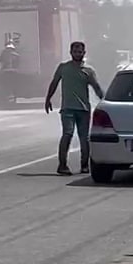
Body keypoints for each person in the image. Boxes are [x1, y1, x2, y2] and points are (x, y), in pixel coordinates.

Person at [45, 41, 104, 176]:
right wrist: (48, 99)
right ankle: (62, 165)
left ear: (84, 53)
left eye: (80, 52)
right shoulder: (63, 68)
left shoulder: (88, 71)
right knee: (67, 134)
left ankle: (84, 166)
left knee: (84, 138)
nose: (77, 54)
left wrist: (105, 102)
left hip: (83, 110)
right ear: (71, 52)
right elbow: (54, 82)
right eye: (75, 51)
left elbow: (97, 88)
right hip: (67, 109)